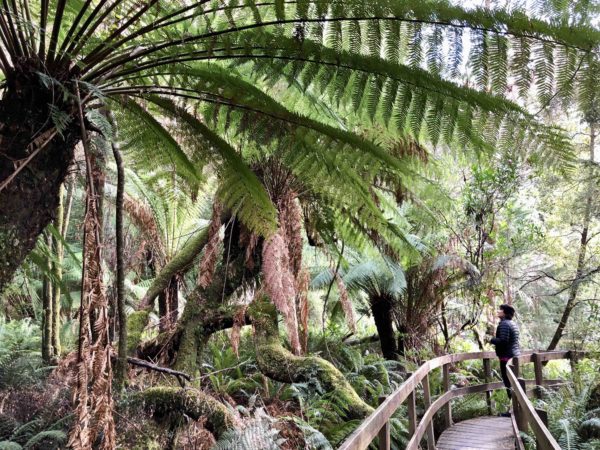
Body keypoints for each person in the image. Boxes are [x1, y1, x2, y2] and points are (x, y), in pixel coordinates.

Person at [489, 304, 520, 403]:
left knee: (509, 383)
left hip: (506, 357)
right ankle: (515, 409)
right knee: (513, 382)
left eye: (500, 310)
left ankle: (513, 409)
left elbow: (503, 341)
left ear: (505, 313)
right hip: (514, 356)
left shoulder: (504, 324)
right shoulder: (512, 323)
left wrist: (491, 340)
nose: (498, 311)